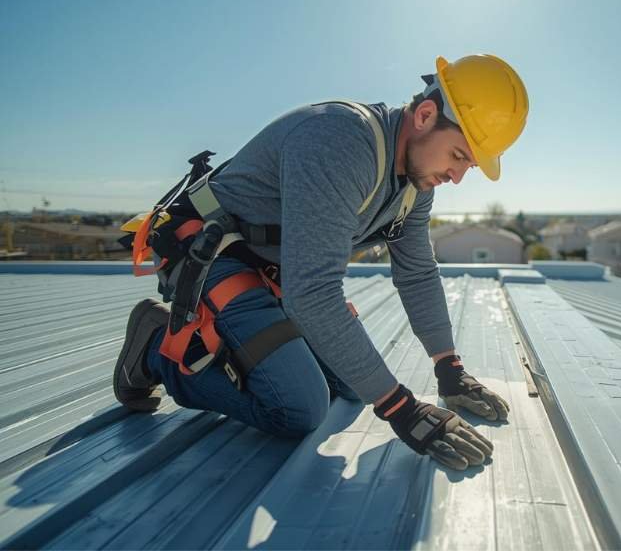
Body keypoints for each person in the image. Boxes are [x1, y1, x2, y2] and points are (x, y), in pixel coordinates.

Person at [112, 54, 529, 471]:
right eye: (457, 155)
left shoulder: (415, 184)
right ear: (424, 116)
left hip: (275, 270)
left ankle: (251, 337)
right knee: (299, 406)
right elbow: (312, 293)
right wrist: (402, 410)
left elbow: (417, 272)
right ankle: (154, 349)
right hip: (210, 252)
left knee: (350, 383)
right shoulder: (340, 142)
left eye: (469, 165)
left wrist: (449, 369)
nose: (457, 176)